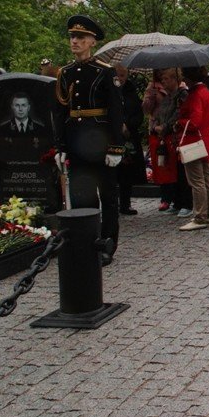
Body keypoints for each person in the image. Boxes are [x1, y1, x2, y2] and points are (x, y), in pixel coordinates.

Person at [52, 15, 124, 263]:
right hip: (76, 143)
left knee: (108, 197)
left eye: (81, 37)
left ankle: (107, 244)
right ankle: (86, 242)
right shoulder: (65, 73)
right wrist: (60, 146)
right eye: (73, 37)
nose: (75, 41)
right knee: (82, 197)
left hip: (101, 142)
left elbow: (115, 112)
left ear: (92, 41)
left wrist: (116, 147)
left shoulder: (104, 72)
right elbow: (61, 112)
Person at [175, 66, 209, 231]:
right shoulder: (206, 92)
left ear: (188, 78)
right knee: (206, 179)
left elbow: (194, 122)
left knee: (196, 181)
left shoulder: (195, 95)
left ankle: (200, 217)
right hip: (205, 140)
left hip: (193, 142)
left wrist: (179, 122)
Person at [144, 68, 182, 212]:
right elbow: (146, 110)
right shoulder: (153, 87)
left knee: (172, 165)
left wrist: (165, 126)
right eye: (162, 78)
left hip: (169, 131)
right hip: (157, 130)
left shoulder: (179, 90)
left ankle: (176, 198)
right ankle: (165, 197)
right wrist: (150, 96)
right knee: (161, 164)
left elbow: (177, 112)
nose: (163, 80)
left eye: (166, 78)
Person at [114, 65, 145, 216]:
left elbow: (139, 114)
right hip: (113, 137)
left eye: (122, 76)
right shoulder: (108, 91)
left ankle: (125, 204)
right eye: (117, 75)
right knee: (113, 172)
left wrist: (128, 124)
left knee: (126, 172)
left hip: (129, 138)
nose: (120, 79)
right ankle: (112, 203)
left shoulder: (131, 92)